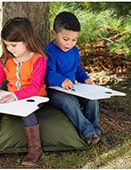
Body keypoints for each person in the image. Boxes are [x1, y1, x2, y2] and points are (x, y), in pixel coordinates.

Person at [0, 17, 47, 166]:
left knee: (27, 115)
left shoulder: (38, 60)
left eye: (14, 45)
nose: (10, 49)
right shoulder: (6, 59)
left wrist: (14, 96)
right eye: (7, 45)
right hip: (12, 99)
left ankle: (35, 151)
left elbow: (34, 87)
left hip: (35, 99)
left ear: (26, 40)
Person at [45, 11, 103, 146]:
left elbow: (77, 69)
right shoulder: (50, 52)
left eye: (74, 40)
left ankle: (96, 130)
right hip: (55, 90)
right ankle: (87, 132)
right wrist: (61, 80)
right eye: (65, 39)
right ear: (54, 34)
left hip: (74, 88)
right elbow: (48, 73)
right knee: (69, 102)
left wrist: (85, 79)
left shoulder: (74, 51)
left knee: (92, 100)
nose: (69, 44)